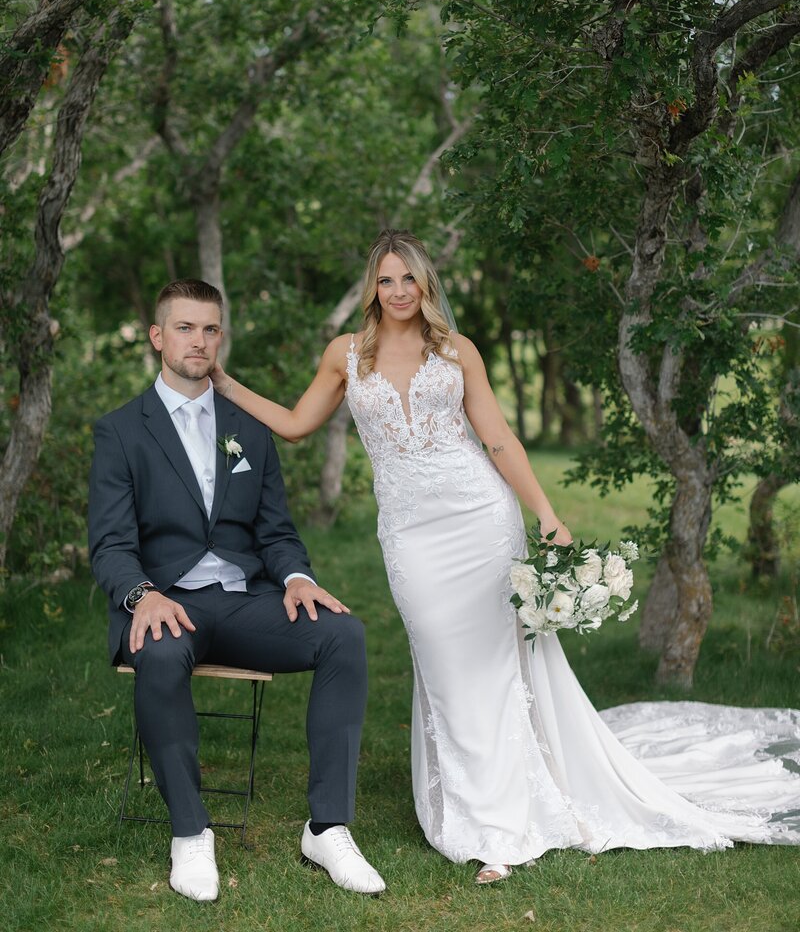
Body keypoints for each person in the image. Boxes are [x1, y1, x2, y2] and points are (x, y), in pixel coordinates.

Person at [211, 231, 800, 883]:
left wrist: (546, 513)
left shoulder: (456, 352)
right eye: (386, 280)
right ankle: (482, 811)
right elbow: (296, 425)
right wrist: (223, 381)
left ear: (426, 284)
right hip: (410, 536)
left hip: (481, 522)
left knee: (494, 670)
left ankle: (496, 829)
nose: (400, 291)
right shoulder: (344, 356)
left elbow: (497, 439)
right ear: (371, 289)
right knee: (445, 666)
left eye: (410, 279)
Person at [88, 278, 386, 902]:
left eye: (210, 328)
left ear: (221, 336)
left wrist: (299, 577)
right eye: (185, 327)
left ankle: (328, 826)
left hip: (245, 601)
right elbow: (111, 545)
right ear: (157, 336)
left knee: (343, 634)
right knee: (162, 653)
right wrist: (142, 596)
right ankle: (191, 833)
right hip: (168, 601)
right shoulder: (121, 431)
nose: (199, 341)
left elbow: (275, 530)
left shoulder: (248, 427)